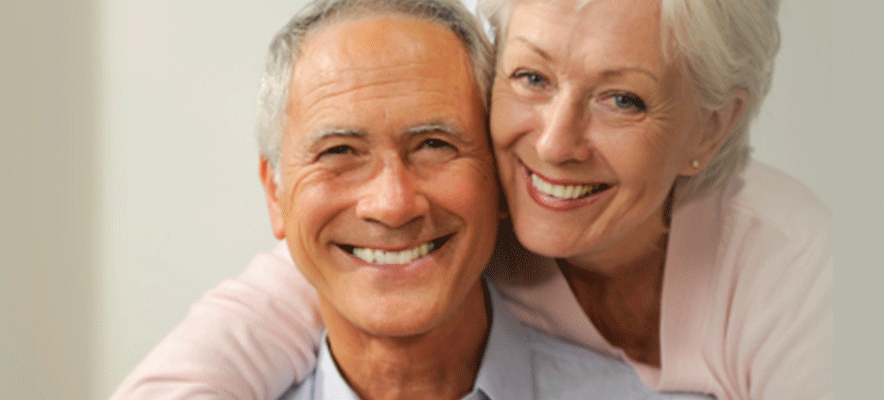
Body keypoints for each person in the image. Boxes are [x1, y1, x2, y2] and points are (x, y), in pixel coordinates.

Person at [113, 0, 830, 399]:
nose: (552, 145)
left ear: (711, 124)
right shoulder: (486, 211)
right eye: (531, 79)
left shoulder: (791, 270)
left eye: (623, 98)